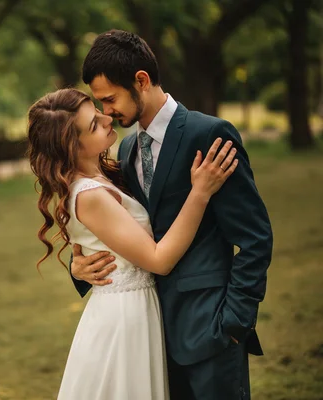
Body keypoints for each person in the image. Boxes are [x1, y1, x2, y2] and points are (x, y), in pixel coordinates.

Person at [70, 30, 274, 399]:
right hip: (147, 338)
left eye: (110, 99)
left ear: (141, 81)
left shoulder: (209, 134)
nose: (107, 113)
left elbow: (255, 238)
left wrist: (233, 323)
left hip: (210, 331)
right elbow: (122, 230)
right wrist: (79, 269)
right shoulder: (128, 148)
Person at [27, 87, 238, 399]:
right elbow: (158, 259)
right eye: (94, 124)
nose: (106, 116)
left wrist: (78, 263)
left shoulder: (107, 174)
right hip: (124, 317)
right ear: (73, 147)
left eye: (98, 110)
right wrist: (200, 193)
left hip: (136, 307)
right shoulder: (91, 195)